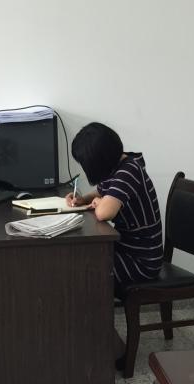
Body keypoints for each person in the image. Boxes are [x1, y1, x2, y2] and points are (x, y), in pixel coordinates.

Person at [66, 122, 163, 287]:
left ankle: (92, 305)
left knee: (82, 269)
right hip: (126, 249)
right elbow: (102, 191)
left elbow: (104, 213)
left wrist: (101, 203)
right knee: (79, 259)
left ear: (99, 160)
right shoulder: (118, 166)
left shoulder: (128, 171)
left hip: (141, 262)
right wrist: (85, 199)